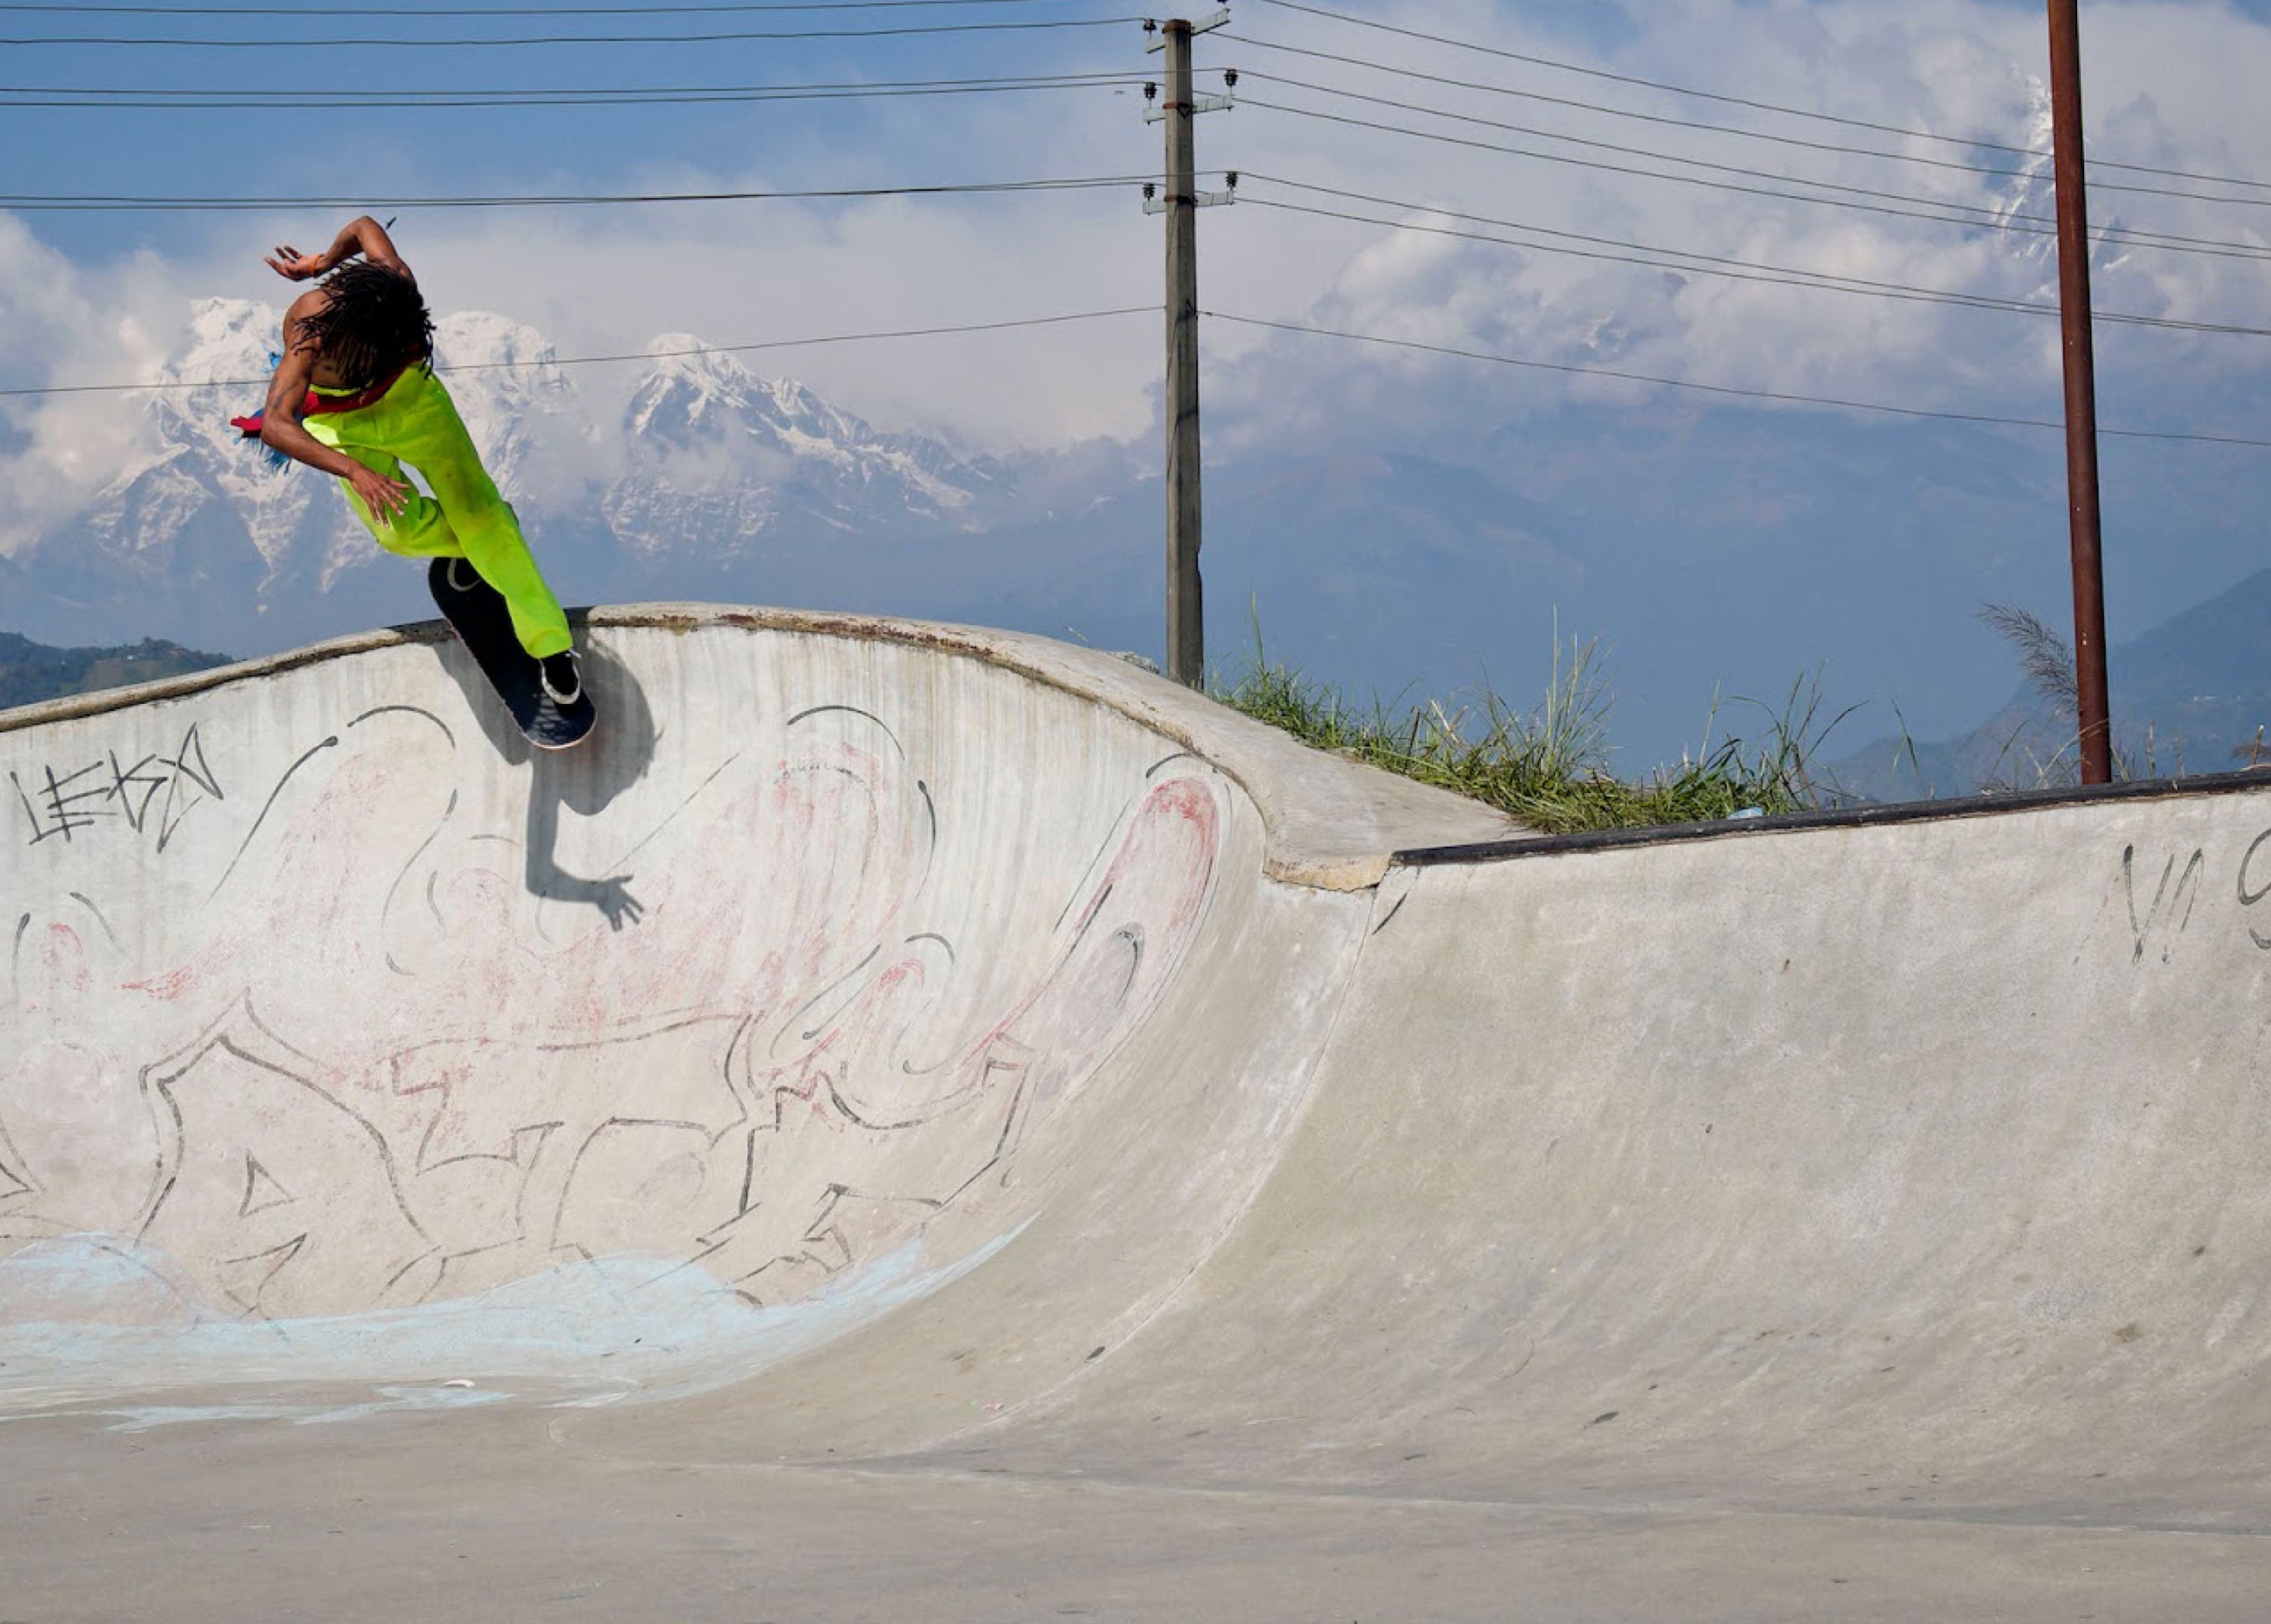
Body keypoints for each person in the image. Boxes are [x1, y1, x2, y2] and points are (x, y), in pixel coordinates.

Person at [232, 215, 580, 704]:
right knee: (397, 534)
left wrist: (322, 261)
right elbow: (275, 425)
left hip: (413, 402)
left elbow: (362, 225)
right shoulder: (310, 333)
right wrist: (353, 470)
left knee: (481, 519)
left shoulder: (393, 282)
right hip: (345, 424)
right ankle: (481, 543)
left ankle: (551, 648)